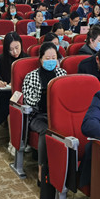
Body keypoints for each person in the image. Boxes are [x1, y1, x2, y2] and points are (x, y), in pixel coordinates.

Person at [22, 42, 67, 182]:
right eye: (47, 58)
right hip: (38, 115)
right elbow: (28, 100)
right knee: (46, 130)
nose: (51, 61)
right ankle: (42, 168)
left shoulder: (62, 74)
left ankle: (63, 168)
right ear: (41, 59)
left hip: (58, 115)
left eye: (54, 58)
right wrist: (43, 97)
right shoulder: (31, 76)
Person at [0, 32, 28, 127]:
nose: (15, 52)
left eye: (17, 48)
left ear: (21, 44)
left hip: (24, 93)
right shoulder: (1, 59)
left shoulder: (27, 59)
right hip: (7, 93)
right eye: (11, 49)